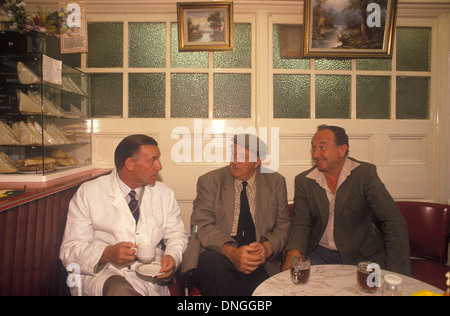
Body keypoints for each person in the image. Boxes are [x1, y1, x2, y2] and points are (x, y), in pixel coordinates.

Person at [60, 134, 188, 296]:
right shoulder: (89, 193)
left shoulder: (164, 194)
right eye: (152, 160)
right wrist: (107, 253)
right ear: (130, 164)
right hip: (105, 274)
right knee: (119, 291)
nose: (159, 166)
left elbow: (178, 236)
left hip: (149, 277)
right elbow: (69, 251)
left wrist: (172, 256)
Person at [283, 125, 412, 276]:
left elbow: (393, 221)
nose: (316, 154)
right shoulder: (304, 181)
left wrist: (398, 273)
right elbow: (301, 223)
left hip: (362, 255)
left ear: (342, 150)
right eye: (313, 147)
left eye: (322, 147)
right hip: (319, 255)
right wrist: (293, 253)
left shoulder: (364, 175)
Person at [182, 134, 291, 296]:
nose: (235, 161)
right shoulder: (210, 181)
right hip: (218, 250)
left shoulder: (276, 182)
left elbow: (283, 225)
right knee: (215, 267)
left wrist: (266, 249)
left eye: (242, 157)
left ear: (258, 161)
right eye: (233, 154)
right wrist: (232, 252)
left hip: (256, 251)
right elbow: (201, 224)